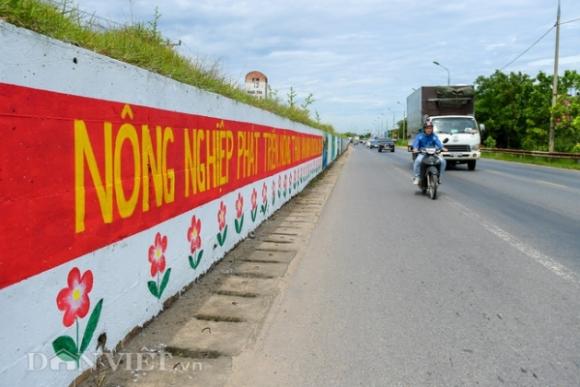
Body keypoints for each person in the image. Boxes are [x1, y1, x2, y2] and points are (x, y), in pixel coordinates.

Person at [412, 119, 447, 185]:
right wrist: (415, 148)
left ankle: (439, 177)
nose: (429, 129)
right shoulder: (419, 136)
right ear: (424, 129)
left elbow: (438, 143)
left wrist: (442, 147)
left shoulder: (434, 136)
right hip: (423, 153)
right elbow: (416, 144)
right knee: (418, 161)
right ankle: (417, 177)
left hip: (433, 153)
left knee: (442, 161)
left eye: (430, 128)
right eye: (427, 128)